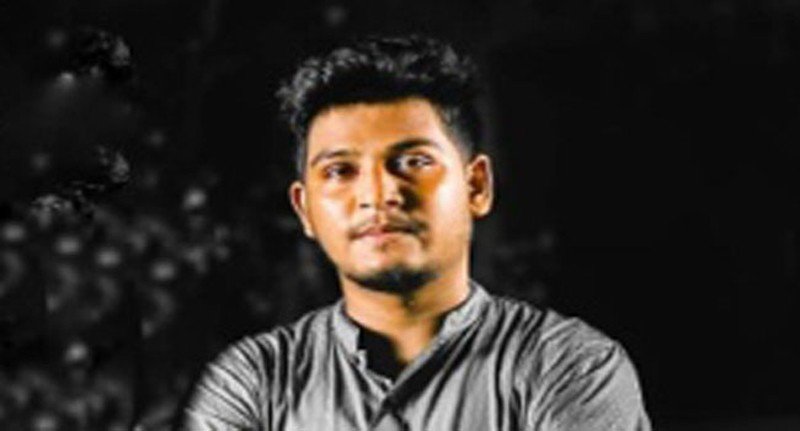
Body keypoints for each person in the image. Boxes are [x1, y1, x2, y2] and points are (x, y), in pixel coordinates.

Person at [182, 34, 651, 431]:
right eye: (341, 170)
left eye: (413, 162)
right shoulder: (253, 382)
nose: (378, 193)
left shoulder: (570, 367)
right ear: (304, 209)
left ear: (476, 186)